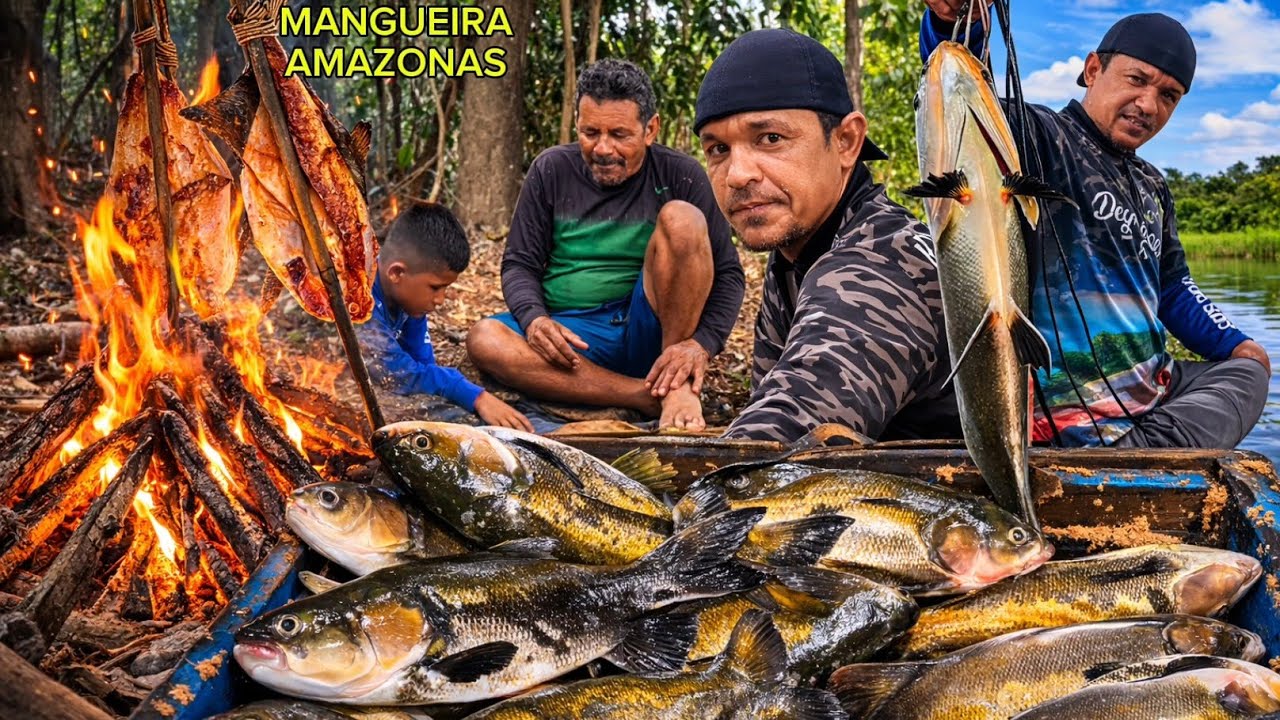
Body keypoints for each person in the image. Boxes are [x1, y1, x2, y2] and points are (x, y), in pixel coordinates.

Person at [920, 4, 1270, 448]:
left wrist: (1235, 343)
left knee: (1249, 372)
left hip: (1156, 389)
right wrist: (953, 21)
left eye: (1169, 95)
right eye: (1137, 80)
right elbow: (963, 96)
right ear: (1092, 70)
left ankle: (1141, 448)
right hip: (1069, 411)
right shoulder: (1040, 136)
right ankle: (1135, 456)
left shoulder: (1152, 185)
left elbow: (1173, 286)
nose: (1148, 105)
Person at [694, 28, 960, 443]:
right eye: (718, 149)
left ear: (846, 142)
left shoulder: (885, 262)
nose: (737, 174)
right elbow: (770, 395)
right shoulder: (799, 245)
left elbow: (782, 438)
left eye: (771, 138)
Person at [465, 59, 745, 432]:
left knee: (683, 218)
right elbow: (519, 263)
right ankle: (643, 395)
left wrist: (699, 346)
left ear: (650, 129)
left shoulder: (680, 173)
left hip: (652, 331)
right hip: (574, 340)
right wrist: (535, 321)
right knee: (485, 338)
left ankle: (673, 379)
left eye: (619, 134)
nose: (603, 148)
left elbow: (728, 275)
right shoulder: (551, 170)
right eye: (590, 132)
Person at [358, 202, 533, 431]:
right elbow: (397, 374)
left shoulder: (408, 298)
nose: (441, 299)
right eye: (435, 287)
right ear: (397, 273)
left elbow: (422, 364)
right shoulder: (360, 300)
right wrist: (472, 395)